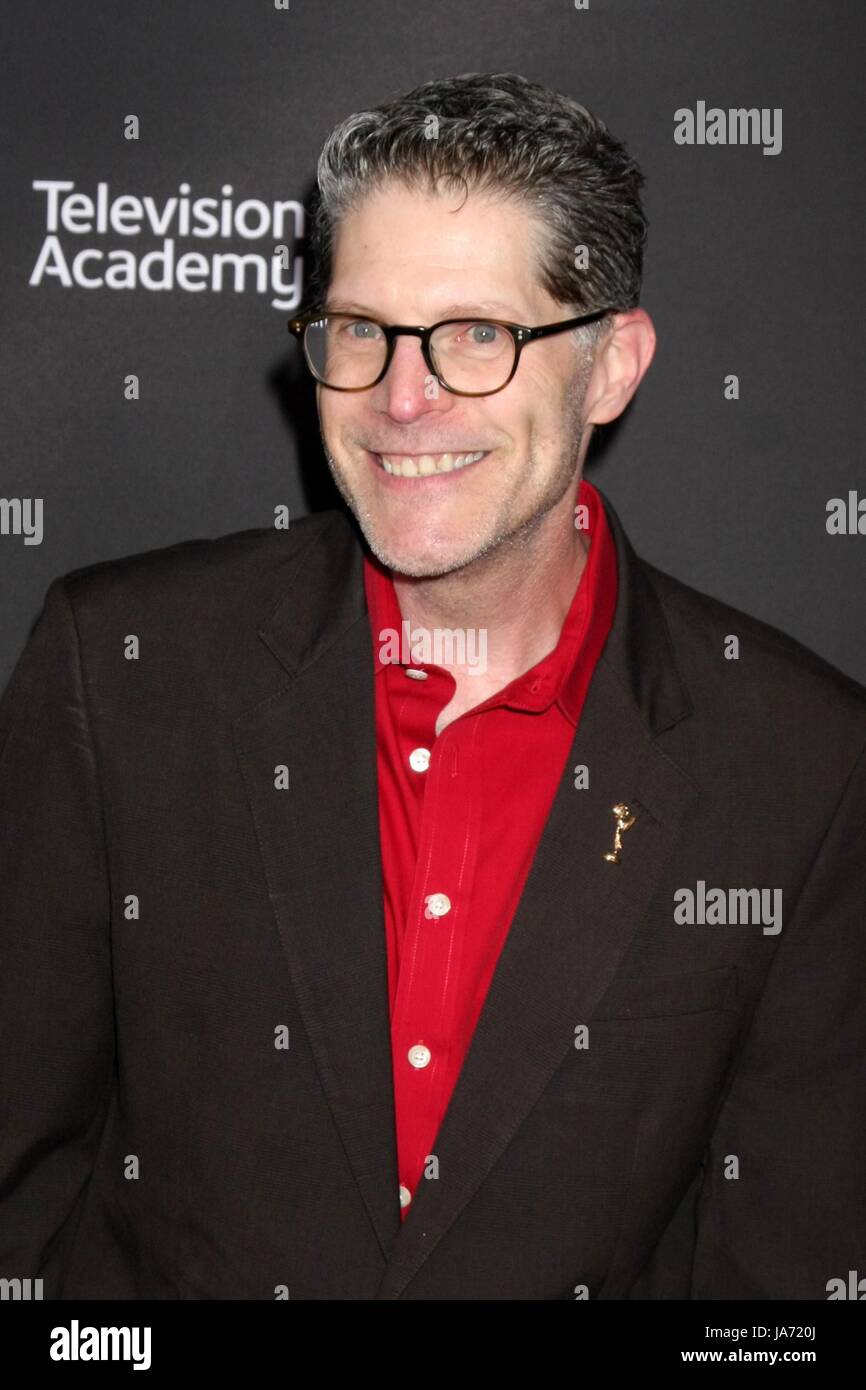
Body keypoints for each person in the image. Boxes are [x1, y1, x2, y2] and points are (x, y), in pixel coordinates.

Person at [1, 71, 864, 1301]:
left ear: (611, 367)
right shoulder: (125, 671)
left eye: (476, 335)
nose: (401, 402)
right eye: (359, 330)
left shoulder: (799, 767)